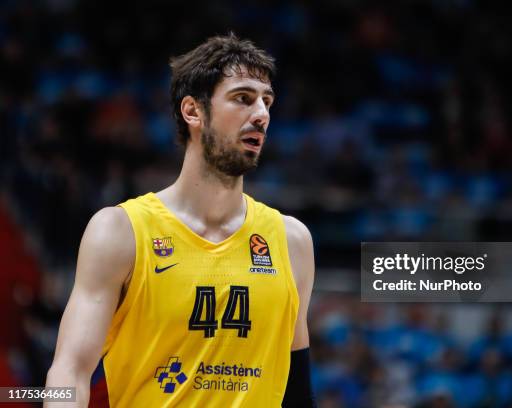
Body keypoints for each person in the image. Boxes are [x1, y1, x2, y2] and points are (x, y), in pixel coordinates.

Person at [45, 34, 316, 407]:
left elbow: (297, 390)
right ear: (193, 111)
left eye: (266, 101)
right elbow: (70, 372)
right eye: (243, 98)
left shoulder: (291, 242)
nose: (261, 114)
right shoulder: (121, 231)